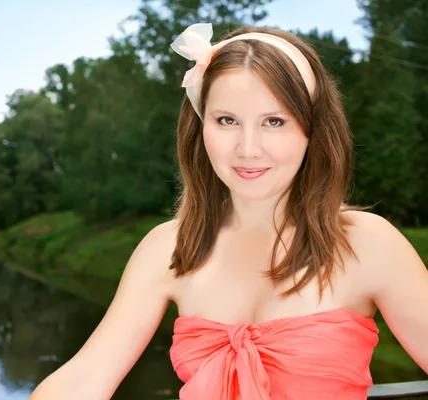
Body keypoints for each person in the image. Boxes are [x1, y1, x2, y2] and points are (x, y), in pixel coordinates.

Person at [29, 23, 428, 400]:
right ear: (201, 127)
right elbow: (84, 378)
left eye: (274, 121)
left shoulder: (368, 244)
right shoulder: (168, 247)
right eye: (226, 120)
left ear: (312, 131)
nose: (248, 148)